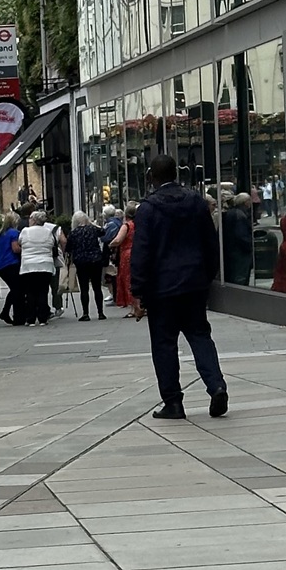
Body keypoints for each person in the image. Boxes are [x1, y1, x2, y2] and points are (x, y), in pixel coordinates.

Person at [129, 154, 227, 421]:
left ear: (151, 176)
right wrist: (207, 276)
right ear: (176, 173)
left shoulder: (148, 209)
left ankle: (173, 402)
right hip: (194, 283)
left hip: (162, 289)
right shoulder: (196, 201)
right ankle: (216, 385)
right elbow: (210, 243)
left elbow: (142, 252)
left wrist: (137, 291)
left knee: (164, 345)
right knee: (200, 335)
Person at [14, 210, 62, 326]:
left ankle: (30, 319)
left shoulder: (25, 231)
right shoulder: (48, 232)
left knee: (30, 292)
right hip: (45, 265)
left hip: (29, 265)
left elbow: (20, 242)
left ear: (34, 220)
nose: (29, 220)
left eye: (30, 218)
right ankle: (43, 318)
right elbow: (52, 244)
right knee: (43, 291)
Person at [65, 211, 106, 321]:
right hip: (95, 260)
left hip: (81, 262)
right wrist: (92, 224)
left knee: (84, 288)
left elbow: (68, 249)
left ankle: (86, 313)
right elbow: (103, 231)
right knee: (97, 287)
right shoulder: (93, 229)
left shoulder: (73, 233)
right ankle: (100, 312)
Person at [0, 211, 22, 324]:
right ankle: (13, 315)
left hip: (0, 265)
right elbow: (15, 248)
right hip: (11, 263)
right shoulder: (14, 233)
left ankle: (5, 312)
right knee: (18, 289)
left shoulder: (1, 234)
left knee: (14, 289)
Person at [222, 193, 255, 285]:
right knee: (240, 278)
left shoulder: (231, 213)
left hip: (231, 251)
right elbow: (241, 235)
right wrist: (249, 246)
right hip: (239, 253)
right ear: (245, 202)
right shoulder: (240, 215)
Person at [112, 204, 136, 313]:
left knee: (127, 280)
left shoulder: (127, 226)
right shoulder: (139, 224)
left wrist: (110, 245)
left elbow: (118, 240)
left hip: (127, 254)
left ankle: (133, 308)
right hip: (138, 252)